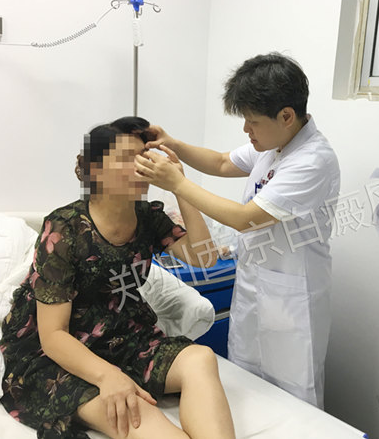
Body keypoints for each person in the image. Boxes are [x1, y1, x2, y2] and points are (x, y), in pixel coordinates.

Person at [0, 117, 235, 439]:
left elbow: (204, 258)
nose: (140, 166)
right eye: (126, 158)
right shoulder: (64, 228)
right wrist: (108, 376)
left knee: (201, 359)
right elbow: (53, 335)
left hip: (125, 339)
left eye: (143, 156)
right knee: (135, 408)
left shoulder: (149, 217)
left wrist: (181, 186)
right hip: (60, 355)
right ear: (95, 170)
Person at [134, 52, 340, 408]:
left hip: (292, 299)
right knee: (248, 386)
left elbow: (247, 219)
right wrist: (174, 144)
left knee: (293, 398)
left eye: (252, 121)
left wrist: (177, 183)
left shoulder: (312, 160)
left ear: (286, 116)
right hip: (256, 287)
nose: (246, 129)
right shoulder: (274, 144)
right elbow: (221, 162)